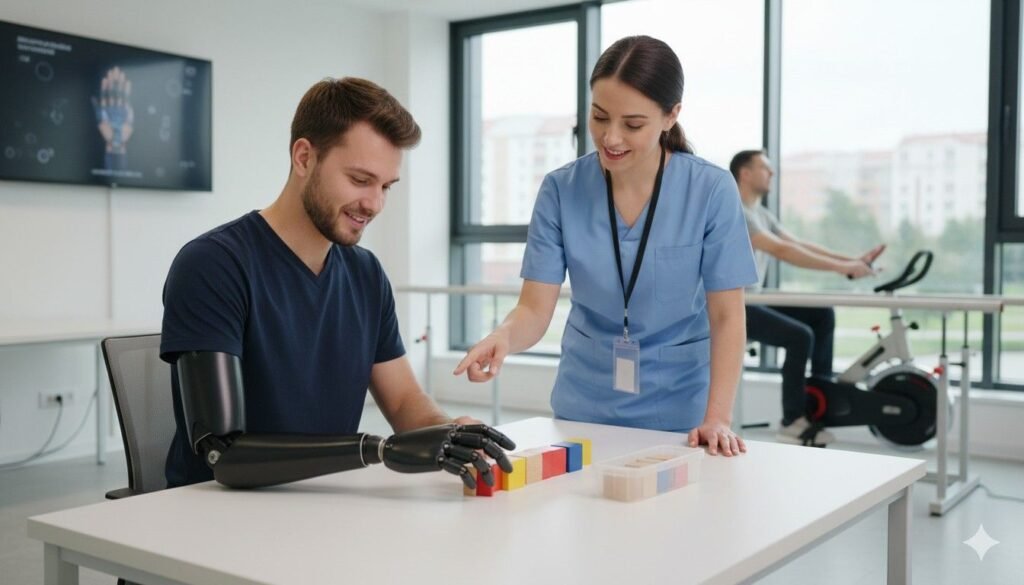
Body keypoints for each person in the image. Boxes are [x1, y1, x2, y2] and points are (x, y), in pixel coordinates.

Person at [161, 77, 514, 490]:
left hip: (323, 503)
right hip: (212, 512)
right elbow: (224, 453)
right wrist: (374, 449)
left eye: (385, 186)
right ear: (304, 157)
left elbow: (403, 402)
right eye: (360, 180)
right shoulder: (213, 265)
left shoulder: (366, 275)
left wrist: (448, 430)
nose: (375, 203)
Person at [454, 36, 758, 457]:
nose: (610, 138)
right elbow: (533, 308)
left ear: (671, 116)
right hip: (583, 404)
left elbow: (727, 316)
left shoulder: (710, 188)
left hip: (682, 412)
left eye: (633, 125)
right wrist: (503, 337)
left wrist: (718, 417)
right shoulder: (562, 189)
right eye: (599, 117)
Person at [729, 149, 886, 446]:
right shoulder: (736, 212)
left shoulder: (761, 214)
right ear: (745, 173)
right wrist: (844, 268)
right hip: (734, 305)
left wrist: (853, 260)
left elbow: (798, 244)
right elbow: (781, 251)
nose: (772, 174)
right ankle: (792, 420)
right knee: (799, 336)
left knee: (821, 314)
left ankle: (820, 398)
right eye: (766, 168)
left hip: (755, 300)